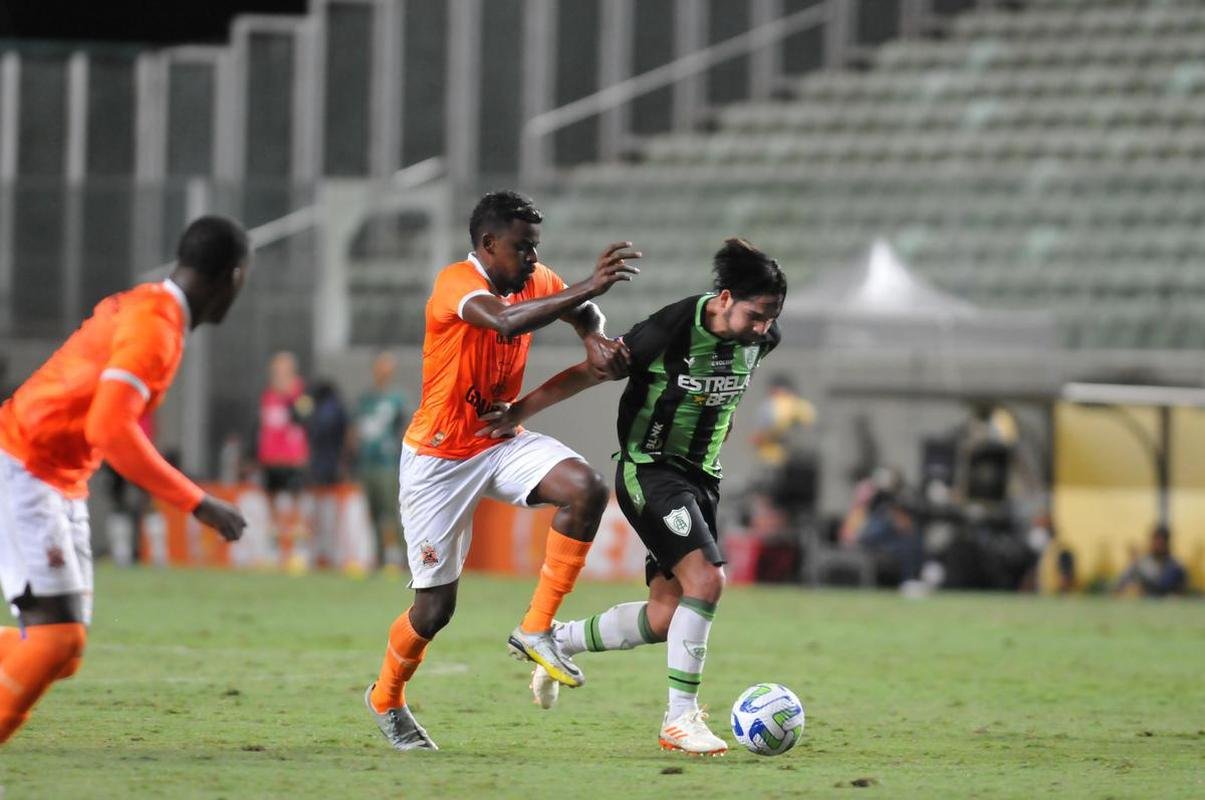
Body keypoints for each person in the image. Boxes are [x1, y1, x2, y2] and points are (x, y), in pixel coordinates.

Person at [477, 238, 786, 755]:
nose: (763, 328)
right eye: (756, 315)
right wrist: (518, 413)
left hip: (702, 480)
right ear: (726, 297)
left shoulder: (763, 338)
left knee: (665, 618)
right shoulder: (670, 328)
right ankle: (679, 720)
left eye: (771, 317)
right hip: (652, 470)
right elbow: (590, 370)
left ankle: (556, 639)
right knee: (707, 582)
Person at [364, 190, 640, 751]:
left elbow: (578, 307)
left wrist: (593, 337)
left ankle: (536, 627)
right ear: (488, 245)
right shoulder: (456, 284)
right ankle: (386, 697)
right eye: (523, 249)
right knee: (434, 611)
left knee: (585, 489)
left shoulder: (532, 279)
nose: (534, 261)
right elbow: (508, 323)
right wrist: (590, 285)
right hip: (438, 461)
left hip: (497, 436)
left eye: (536, 249)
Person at [0, 215, 250, 744]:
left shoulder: (151, 308)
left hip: (57, 474)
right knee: (54, 641)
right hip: (24, 464)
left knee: (60, 651)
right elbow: (109, 429)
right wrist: (198, 502)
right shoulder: (155, 329)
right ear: (232, 278)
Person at [352, 352, 409, 571]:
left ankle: (406, 559)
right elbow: (356, 430)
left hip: (388, 463)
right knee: (374, 512)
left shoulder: (397, 399)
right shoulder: (366, 399)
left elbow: (406, 428)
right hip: (368, 462)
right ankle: (380, 557)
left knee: (392, 512)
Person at [1115, 524, 1187, 598]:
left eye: (1161, 542)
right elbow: (1120, 586)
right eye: (1156, 541)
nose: (1158, 545)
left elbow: (1180, 593)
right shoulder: (1139, 563)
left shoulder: (1175, 568)